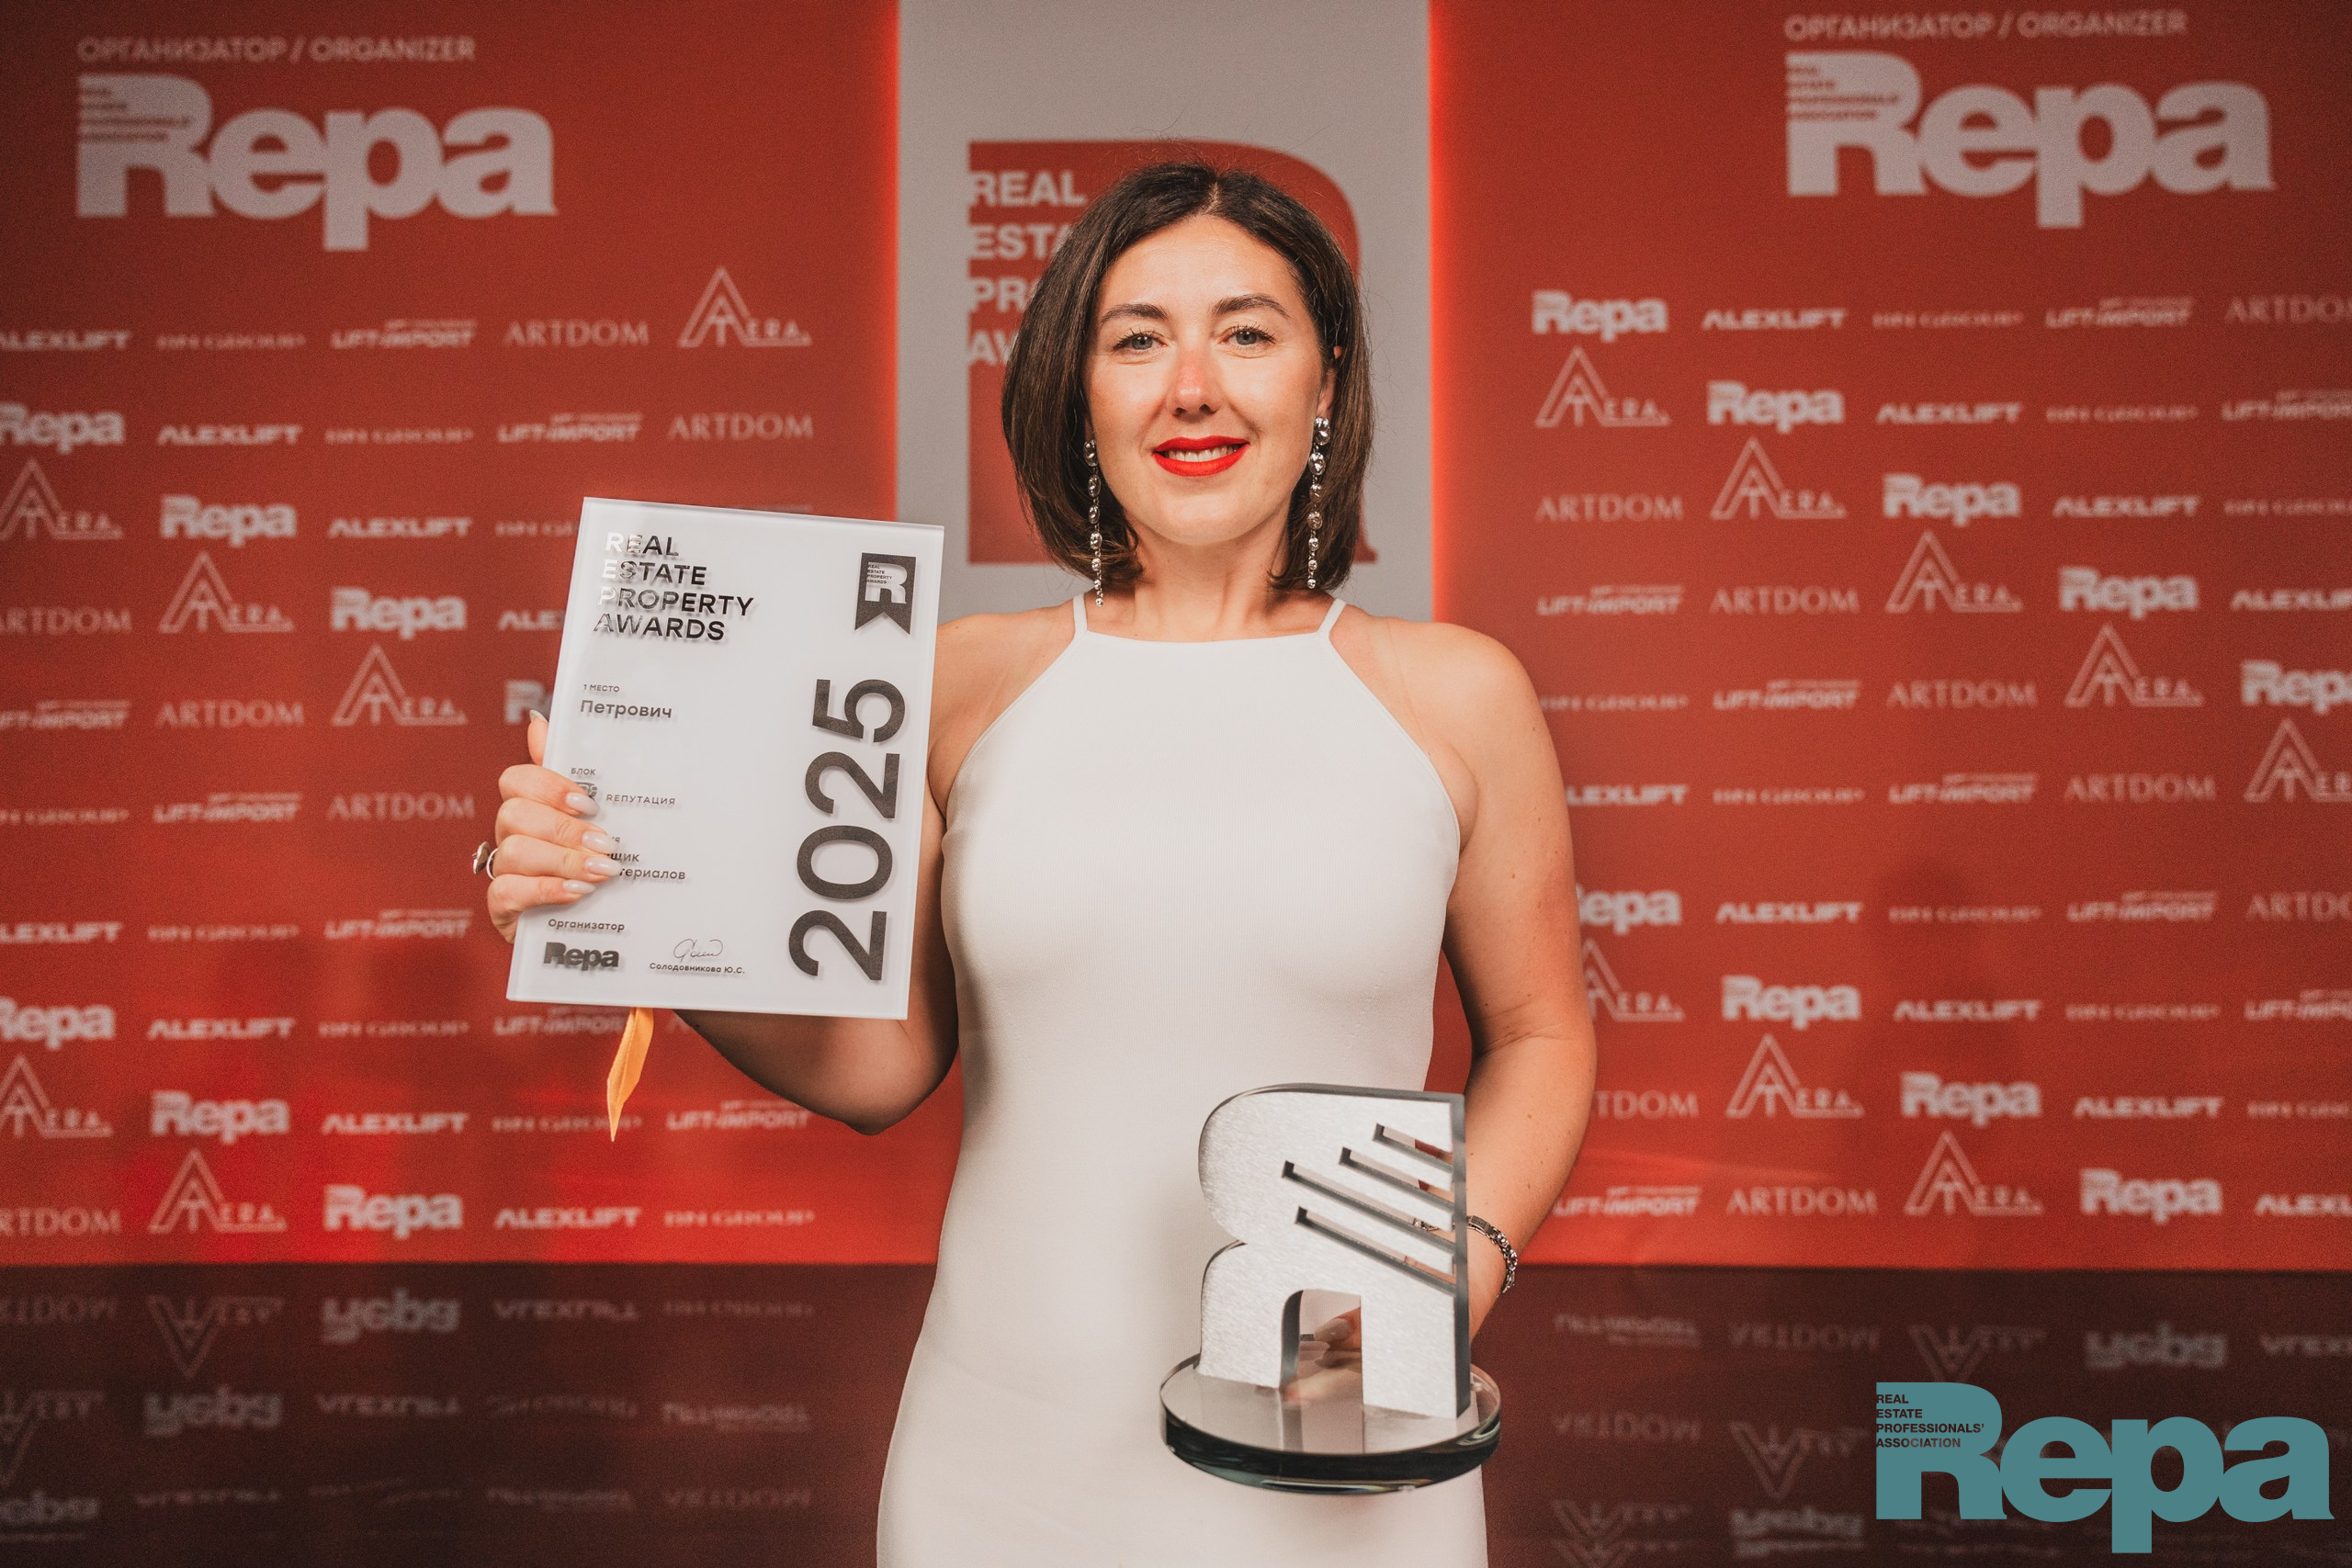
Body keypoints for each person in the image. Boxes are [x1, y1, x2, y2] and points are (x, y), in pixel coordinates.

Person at [485, 162, 1596, 1566]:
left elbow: (1542, 1036)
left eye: (1246, 332)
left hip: (1339, 1440)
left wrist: (1438, 1286)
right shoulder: (952, 683)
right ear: (1078, 393)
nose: (1192, 385)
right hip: (1005, 1463)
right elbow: (881, 1069)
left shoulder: (1458, 695)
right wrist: (632, 906)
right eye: (1137, 339)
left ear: (1326, 384)